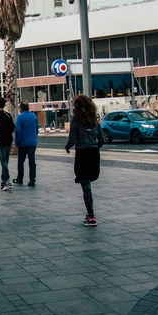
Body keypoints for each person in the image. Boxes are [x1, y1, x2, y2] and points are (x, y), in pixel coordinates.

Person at [65, 95, 105, 227]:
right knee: (88, 183)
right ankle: (89, 214)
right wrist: (95, 148)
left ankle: (91, 216)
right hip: (94, 154)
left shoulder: (75, 121)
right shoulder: (94, 120)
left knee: (86, 186)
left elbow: (72, 140)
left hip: (82, 154)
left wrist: (67, 147)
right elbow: (102, 139)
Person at [13, 101, 39, 187]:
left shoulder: (20, 117)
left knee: (21, 161)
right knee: (32, 162)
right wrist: (34, 137)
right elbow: (37, 129)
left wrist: (17, 142)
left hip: (23, 144)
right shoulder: (33, 116)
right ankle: (32, 180)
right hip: (32, 143)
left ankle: (20, 178)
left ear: (21, 108)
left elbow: (17, 131)